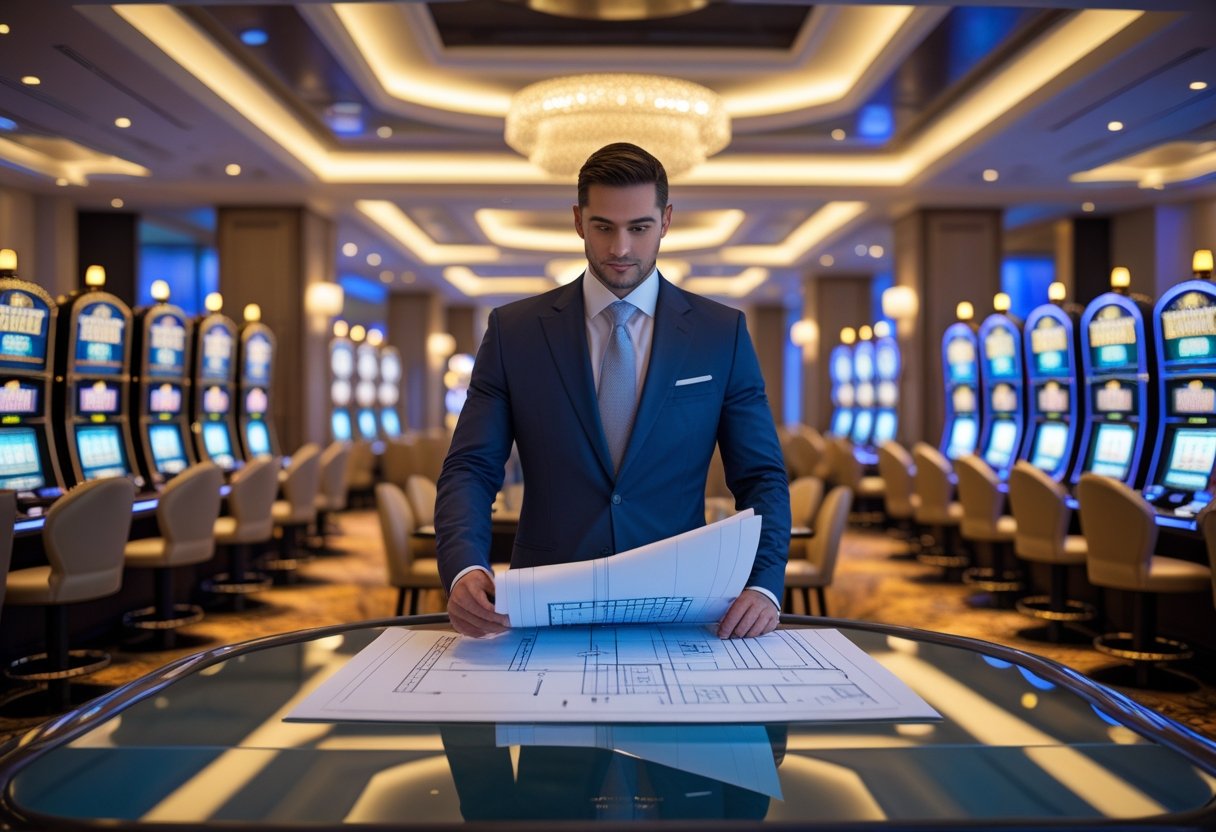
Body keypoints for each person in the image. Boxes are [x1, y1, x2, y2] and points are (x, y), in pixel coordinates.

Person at [435, 142, 791, 639]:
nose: (620, 248)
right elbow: (471, 468)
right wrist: (464, 568)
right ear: (579, 220)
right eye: (603, 227)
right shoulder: (514, 331)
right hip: (544, 601)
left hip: (682, 605)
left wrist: (764, 583)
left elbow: (761, 477)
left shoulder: (720, 333)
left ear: (666, 220)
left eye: (639, 228)